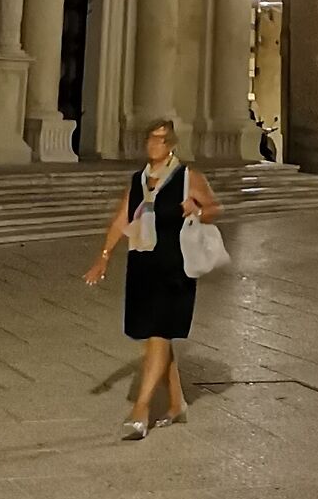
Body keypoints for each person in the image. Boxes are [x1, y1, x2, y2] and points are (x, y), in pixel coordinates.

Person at [84, 120, 220, 440]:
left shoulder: (188, 178)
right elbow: (122, 218)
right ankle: (176, 403)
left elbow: (213, 208)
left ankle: (140, 409)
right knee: (157, 334)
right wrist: (103, 257)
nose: (154, 144)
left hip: (176, 266)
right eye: (151, 138)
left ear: (172, 144)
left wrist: (197, 210)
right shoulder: (139, 180)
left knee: (158, 333)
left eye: (161, 139)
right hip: (144, 263)